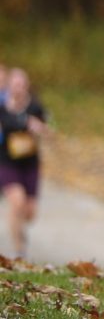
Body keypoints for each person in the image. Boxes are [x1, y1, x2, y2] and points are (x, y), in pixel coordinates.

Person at [0, 68, 51, 258]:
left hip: (30, 163)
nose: (18, 88)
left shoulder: (35, 107)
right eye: (14, 85)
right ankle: (18, 249)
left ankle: (20, 230)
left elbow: (50, 129)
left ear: (27, 86)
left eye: (22, 85)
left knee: (29, 213)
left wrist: (40, 128)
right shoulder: (2, 108)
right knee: (17, 202)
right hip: (7, 162)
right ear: (9, 86)